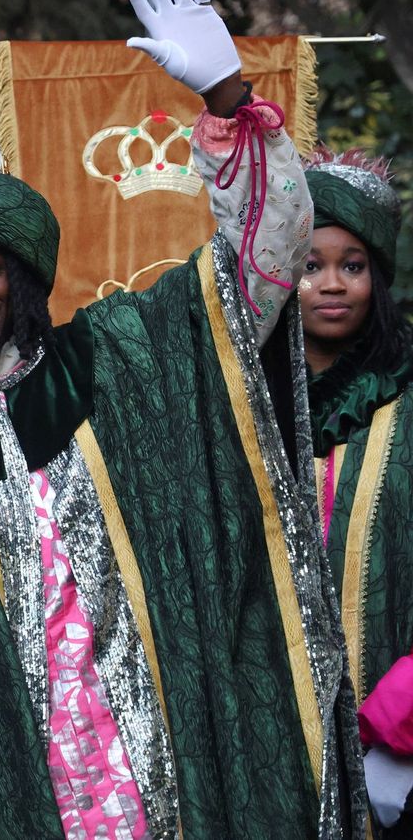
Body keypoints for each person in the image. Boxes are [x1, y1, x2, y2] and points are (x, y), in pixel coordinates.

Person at [0, 0, 363, 837]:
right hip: (11, 785)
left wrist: (232, 100)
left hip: (178, 770)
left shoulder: (116, 358)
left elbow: (262, 270)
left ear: (21, 276)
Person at [300, 148, 413, 834]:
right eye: (311, 265)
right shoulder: (242, 406)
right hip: (271, 736)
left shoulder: (407, 404)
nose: (332, 284)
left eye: (354, 265)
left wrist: (402, 721)